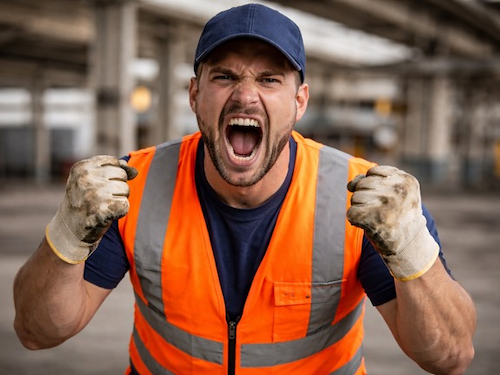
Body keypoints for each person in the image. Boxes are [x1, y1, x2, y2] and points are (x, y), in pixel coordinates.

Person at [13, 3, 476, 375]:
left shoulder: (366, 198)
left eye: (270, 79)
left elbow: (449, 357)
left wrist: (413, 249)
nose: (245, 95)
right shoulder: (133, 187)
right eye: (225, 76)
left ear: (300, 101)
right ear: (195, 95)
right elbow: (39, 332)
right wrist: (66, 236)